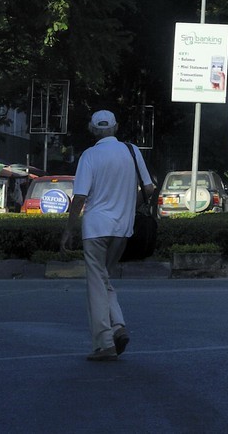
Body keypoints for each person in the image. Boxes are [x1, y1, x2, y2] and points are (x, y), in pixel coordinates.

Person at [60, 109, 156, 361]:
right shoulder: (132, 151)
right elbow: (148, 187)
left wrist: (69, 230)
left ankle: (105, 342)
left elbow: (80, 197)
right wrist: (130, 207)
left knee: (96, 284)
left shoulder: (90, 156)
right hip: (123, 228)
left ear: (93, 130)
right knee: (104, 279)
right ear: (115, 128)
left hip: (95, 228)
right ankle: (118, 327)